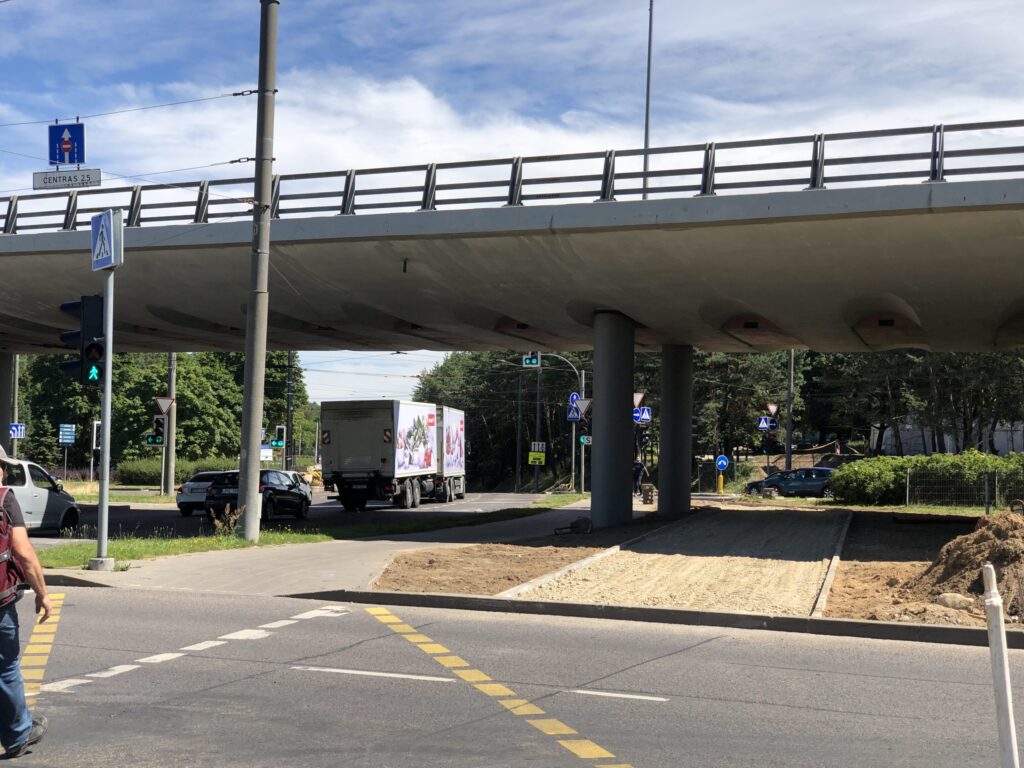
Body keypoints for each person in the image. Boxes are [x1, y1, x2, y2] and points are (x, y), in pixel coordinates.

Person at [0, 462, 50, 759]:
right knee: (5, 668)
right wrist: (42, 593)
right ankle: (18, 734)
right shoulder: (4, 498)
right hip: (0, 604)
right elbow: (23, 552)